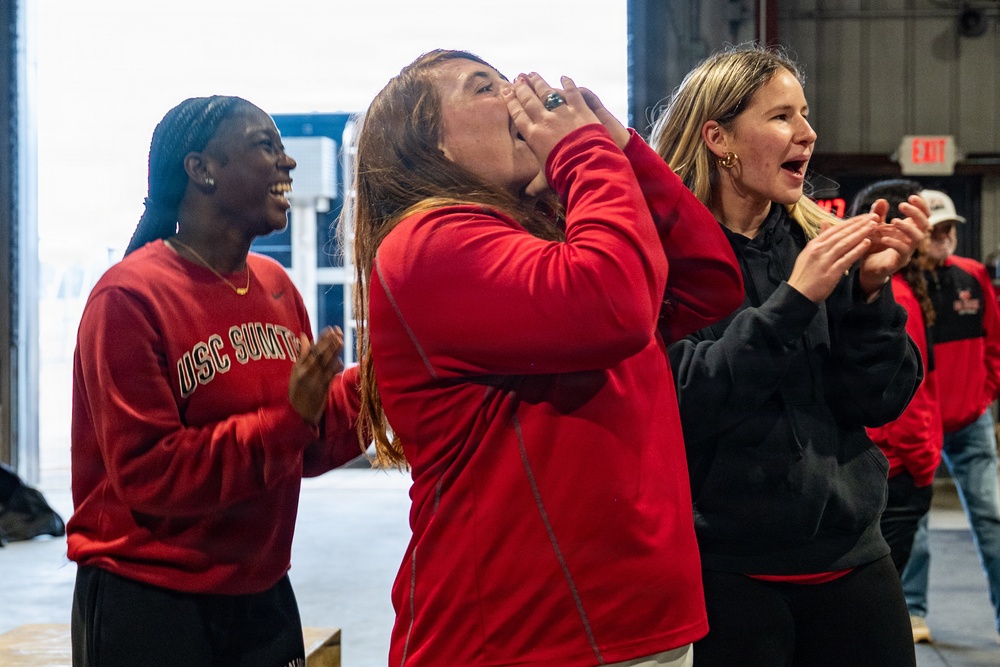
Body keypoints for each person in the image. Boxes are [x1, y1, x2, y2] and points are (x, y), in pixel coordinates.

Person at [349, 49, 743, 667]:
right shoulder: (429, 243)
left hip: (628, 619)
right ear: (430, 147)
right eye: (485, 88)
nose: (518, 98)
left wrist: (626, 151)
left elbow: (706, 281)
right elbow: (612, 303)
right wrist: (584, 154)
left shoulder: (543, 232)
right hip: (524, 634)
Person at [648, 44, 928, 666]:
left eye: (804, 114)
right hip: (727, 578)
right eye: (781, 117)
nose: (808, 133)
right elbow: (680, 401)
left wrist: (871, 297)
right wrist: (794, 301)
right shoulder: (662, 260)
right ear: (718, 136)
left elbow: (880, 401)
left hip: (855, 564)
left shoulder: (820, 243)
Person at [67, 95, 363, 667]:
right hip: (152, 601)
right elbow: (152, 476)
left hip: (261, 593)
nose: (288, 163)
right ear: (202, 169)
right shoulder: (129, 299)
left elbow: (305, 446)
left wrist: (374, 384)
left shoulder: (276, 286)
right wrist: (289, 420)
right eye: (265, 147)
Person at [900, 188, 1000, 644]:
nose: (946, 236)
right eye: (937, 229)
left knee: (992, 516)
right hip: (922, 426)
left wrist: (983, 395)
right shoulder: (903, 287)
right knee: (915, 525)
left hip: (969, 423)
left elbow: (994, 345)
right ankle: (913, 612)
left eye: (950, 228)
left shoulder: (974, 276)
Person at [851, 179, 942, 576]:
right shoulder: (895, 295)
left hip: (882, 462)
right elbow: (905, 397)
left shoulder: (876, 287)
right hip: (898, 467)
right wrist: (924, 465)